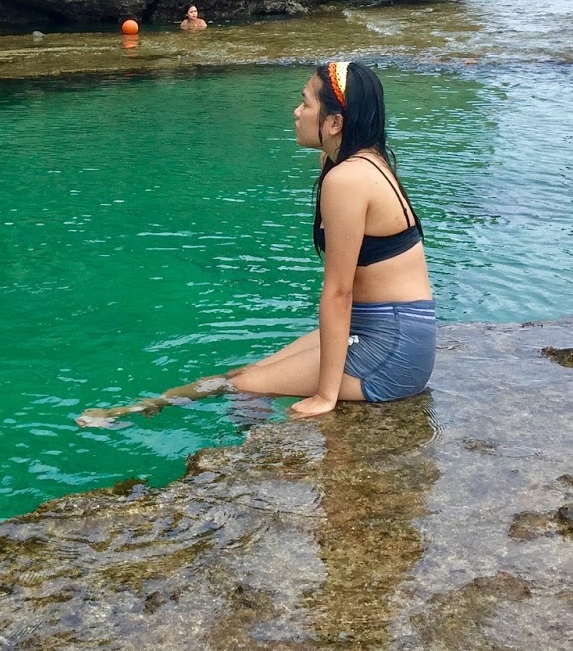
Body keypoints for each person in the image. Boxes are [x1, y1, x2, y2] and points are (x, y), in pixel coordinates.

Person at [78, 60, 435, 426]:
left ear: (334, 122)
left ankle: (248, 455)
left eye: (306, 103)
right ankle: (141, 409)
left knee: (248, 386)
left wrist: (325, 396)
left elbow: (339, 292)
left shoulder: (347, 178)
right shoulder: (359, 163)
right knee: (243, 374)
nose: (296, 112)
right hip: (382, 331)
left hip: (392, 347)